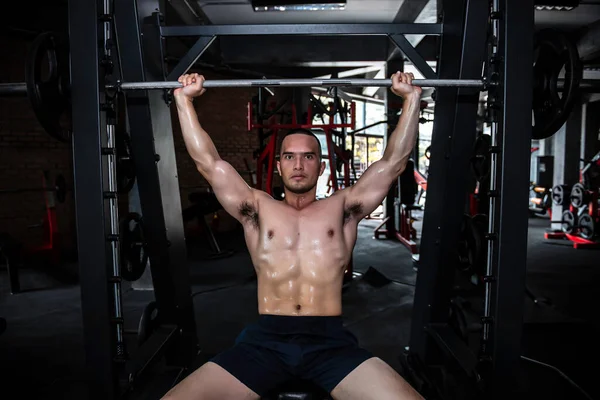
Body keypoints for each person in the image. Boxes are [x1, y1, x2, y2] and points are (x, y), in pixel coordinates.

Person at [162, 71, 425, 400]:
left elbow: (393, 163)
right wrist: (183, 100)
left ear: (321, 166)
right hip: (265, 342)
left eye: (308, 156)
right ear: (278, 166)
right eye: (289, 156)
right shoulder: (256, 208)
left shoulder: (343, 208)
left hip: (328, 343)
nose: (298, 164)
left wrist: (412, 98)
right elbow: (209, 163)